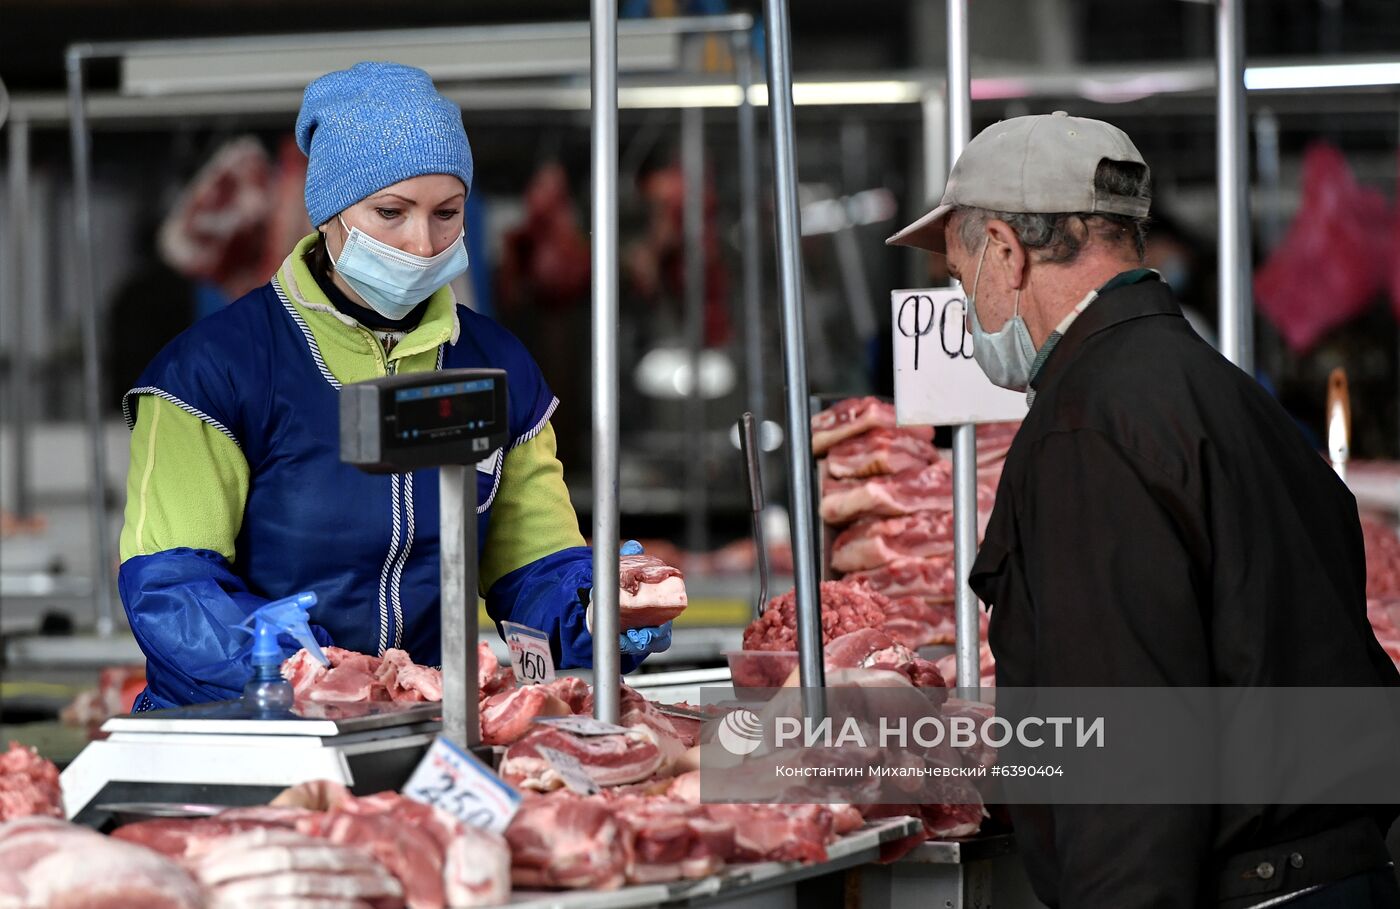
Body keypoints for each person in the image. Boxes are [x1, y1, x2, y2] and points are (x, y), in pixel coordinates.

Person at [887, 111, 1400, 908]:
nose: (966, 306)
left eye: (960, 278)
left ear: (1006, 252)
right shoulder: (1230, 396)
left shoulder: (1084, 429)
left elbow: (1123, 749)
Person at [118, 62, 671, 711]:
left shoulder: (496, 365)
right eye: (390, 212)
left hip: (424, 733)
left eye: (447, 213)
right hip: (246, 737)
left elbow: (533, 569)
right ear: (328, 213)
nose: (421, 241)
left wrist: (596, 610)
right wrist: (301, 668)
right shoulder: (212, 372)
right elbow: (174, 587)